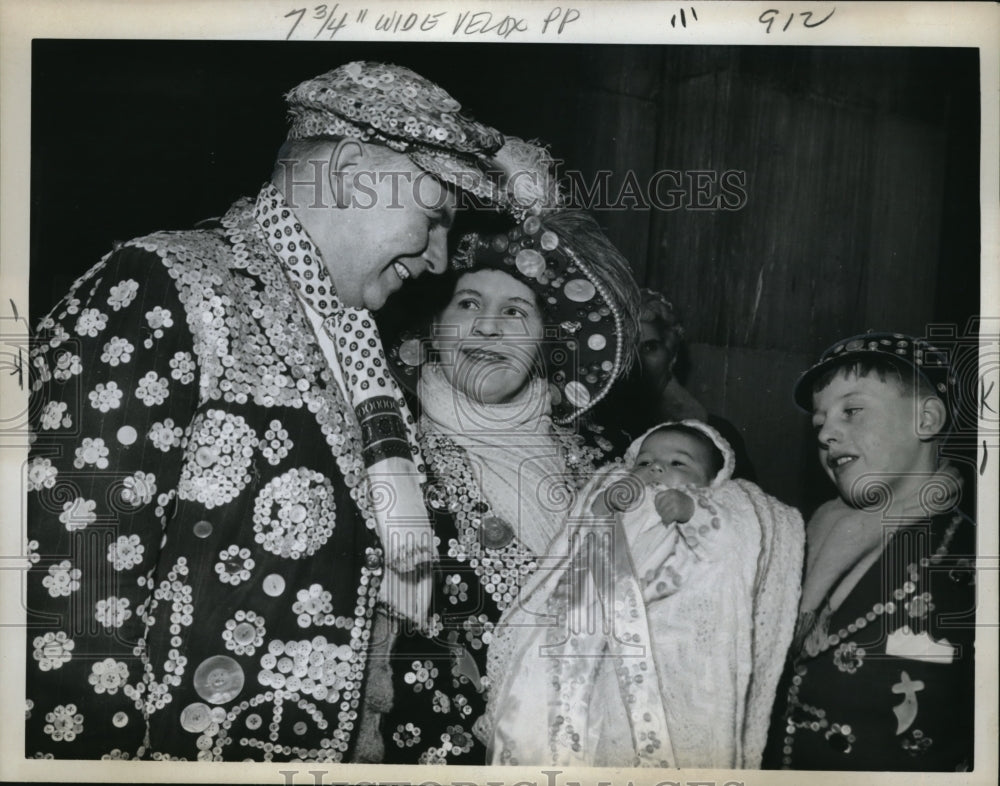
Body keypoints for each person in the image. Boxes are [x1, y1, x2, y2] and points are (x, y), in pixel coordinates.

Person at [24, 60, 535, 761]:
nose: (443, 258)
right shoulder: (164, 284)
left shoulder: (363, 357)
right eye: (435, 216)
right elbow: (64, 596)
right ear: (354, 173)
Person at [362, 208, 641, 764]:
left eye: (515, 311)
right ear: (433, 330)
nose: (488, 328)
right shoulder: (387, 466)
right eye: (468, 305)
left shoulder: (614, 461)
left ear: (544, 341)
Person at [483, 420, 803, 768]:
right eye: (644, 462)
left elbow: (729, 548)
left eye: (679, 463)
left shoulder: (703, 503)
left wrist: (692, 511)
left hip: (660, 631)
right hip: (599, 630)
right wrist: (605, 506)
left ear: (713, 480)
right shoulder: (623, 501)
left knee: (648, 729)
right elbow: (578, 544)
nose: (657, 468)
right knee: (583, 722)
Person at [763, 332, 976, 770]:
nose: (828, 433)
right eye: (819, 424)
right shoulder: (796, 541)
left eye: (852, 411)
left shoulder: (972, 559)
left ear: (927, 419)